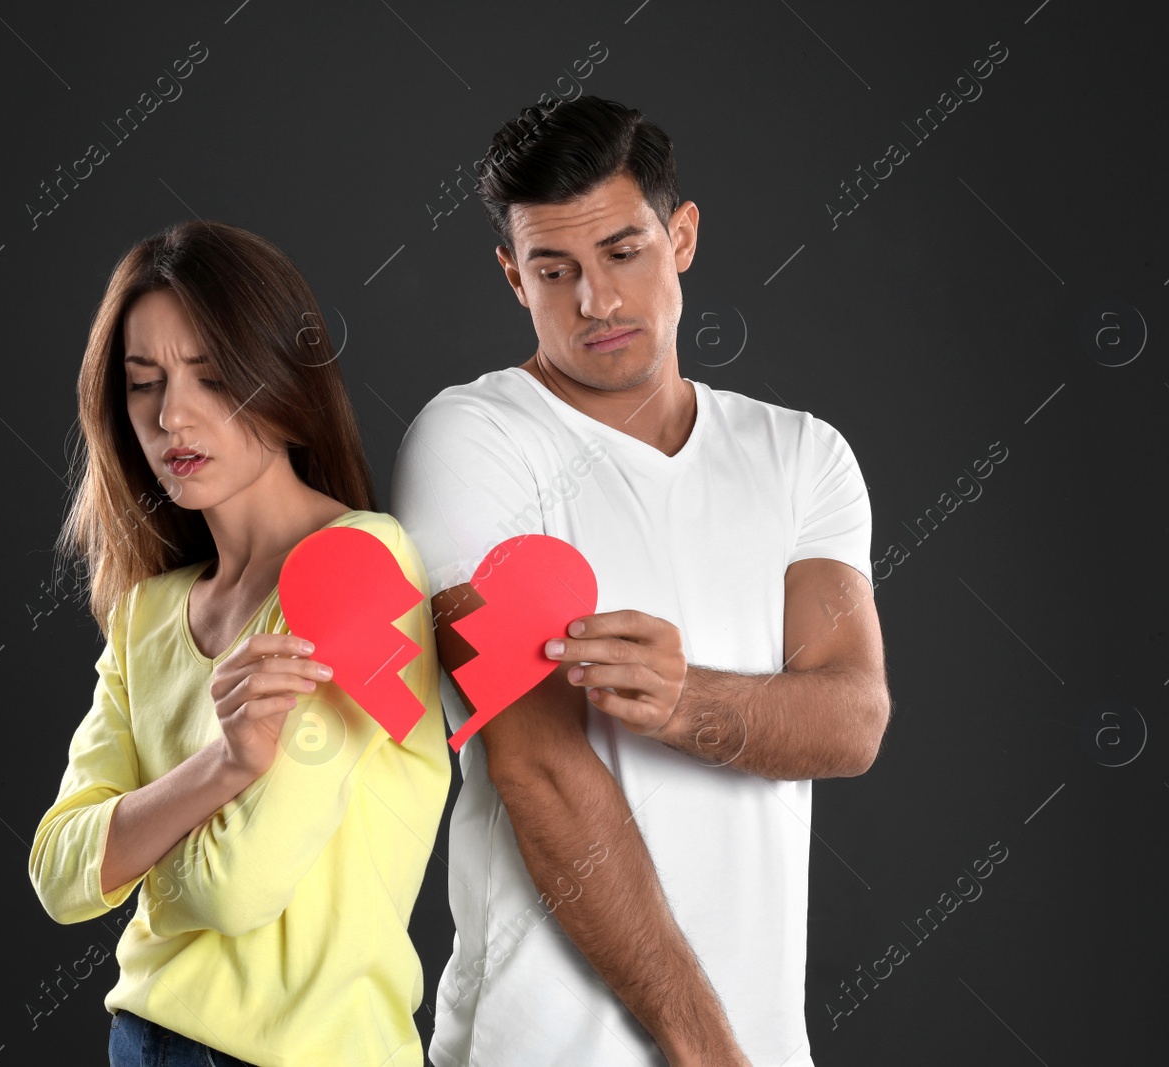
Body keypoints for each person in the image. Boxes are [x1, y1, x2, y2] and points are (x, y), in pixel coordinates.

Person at [390, 97, 892, 1066]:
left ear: (683, 235)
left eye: (623, 251)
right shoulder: (471, 439)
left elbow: (850, 717)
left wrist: (679, 700)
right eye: (553, 269)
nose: (595, 301)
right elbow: (536, 762)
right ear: (511, 275)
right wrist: (704, 1049)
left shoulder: (801, 454)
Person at [27, 220, 450, 1067]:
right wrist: (222, 766)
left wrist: (138, 856)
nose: (171, 415)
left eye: (212, 377)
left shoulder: (359, 565)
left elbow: (234, 888)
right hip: (142, 1041)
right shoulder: (148, 612)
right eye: (143, 383)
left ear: (285, 383)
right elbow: (58, 871)